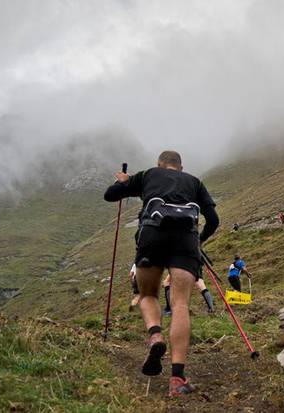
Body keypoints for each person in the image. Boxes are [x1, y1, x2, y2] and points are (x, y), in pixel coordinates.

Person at [104, 150, 218, 397]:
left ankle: (155, 335)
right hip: (186, 241)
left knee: (147, 294)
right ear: (180, 166)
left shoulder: (147, 175)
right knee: (179, 304)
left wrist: (122, 182)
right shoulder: (195, 182)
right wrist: (199, 241)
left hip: (151, 237)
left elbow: (110, 196)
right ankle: (177, 379)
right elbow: (214, 220)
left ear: (160, 165)